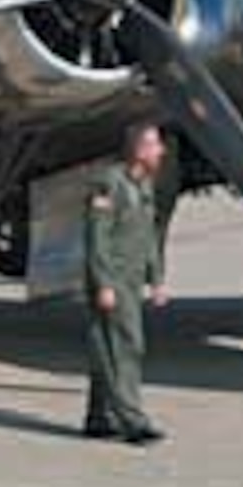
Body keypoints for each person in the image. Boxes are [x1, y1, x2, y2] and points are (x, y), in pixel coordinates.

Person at [82, 122, 170, 446]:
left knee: (111, 346)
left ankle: (99, 418)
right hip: (113, 279)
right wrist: (103, 283)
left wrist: (156, 279)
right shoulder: (109, 183)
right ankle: (133, 421)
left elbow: (148, 238)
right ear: (139, 150)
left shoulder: (144, 185)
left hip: (131, 279)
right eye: (155, 145)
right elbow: (97, 239)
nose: (161, 151)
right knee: (126, 347)